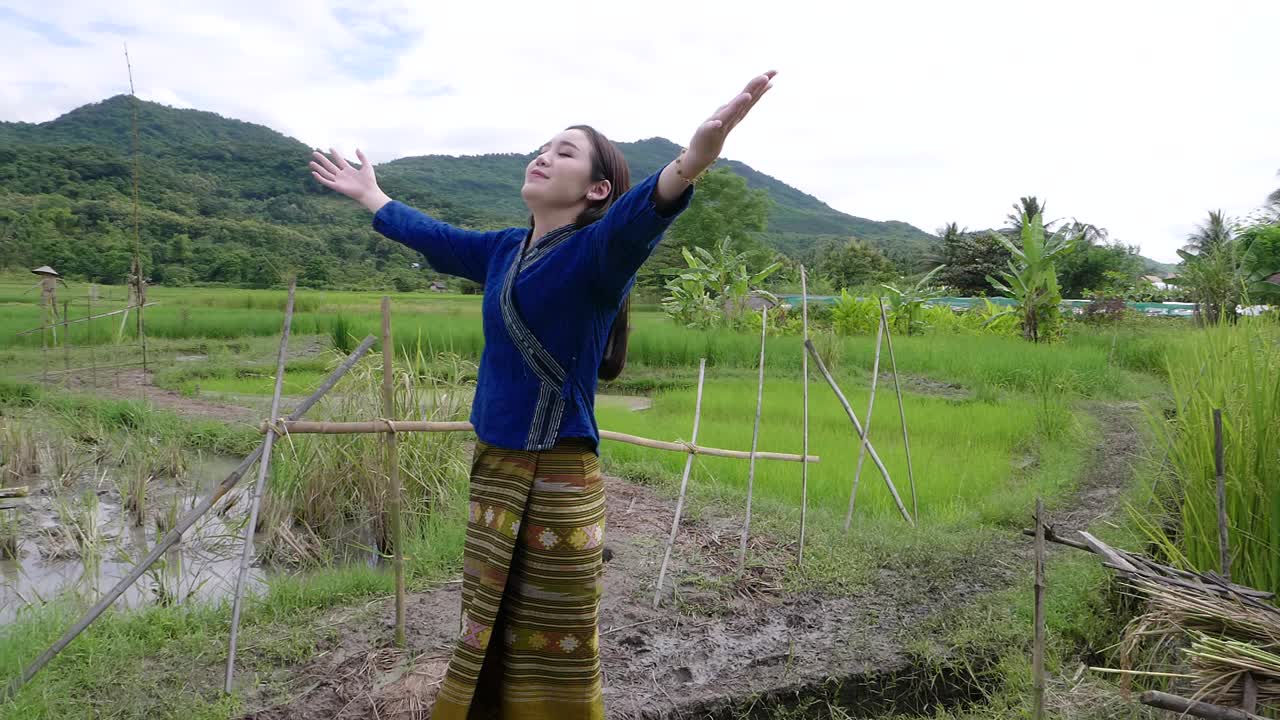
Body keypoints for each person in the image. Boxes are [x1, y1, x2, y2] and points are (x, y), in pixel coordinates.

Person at [309, 69, 776, 719]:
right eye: (542, 146)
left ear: (596, 189)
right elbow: (435, 240)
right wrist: (373, 195)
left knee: (553, 640)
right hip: (495, 469)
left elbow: (647, 212)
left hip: (559, 476)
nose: (542, 156)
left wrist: (692, 161)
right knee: (485, 626)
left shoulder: (597, 253)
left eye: (564, 152)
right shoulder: (504, 250)